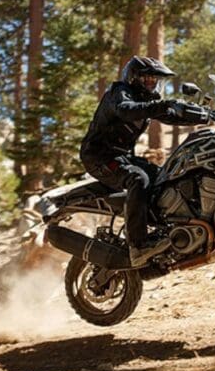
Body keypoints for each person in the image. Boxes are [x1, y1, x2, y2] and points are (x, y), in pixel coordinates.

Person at [80, 56, 206, 266]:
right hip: (99, 156)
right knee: (137, 179)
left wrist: (205, 116)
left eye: (154, 79)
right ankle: (138, 245)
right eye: (147, 78)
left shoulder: (149, 100)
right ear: (134, 77)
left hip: (122, 156)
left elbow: (171, 117)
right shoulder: (119, 92)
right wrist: (163, 104)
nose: (151, 83)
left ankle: (165, 231)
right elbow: (126, 110)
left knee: (166, 177)